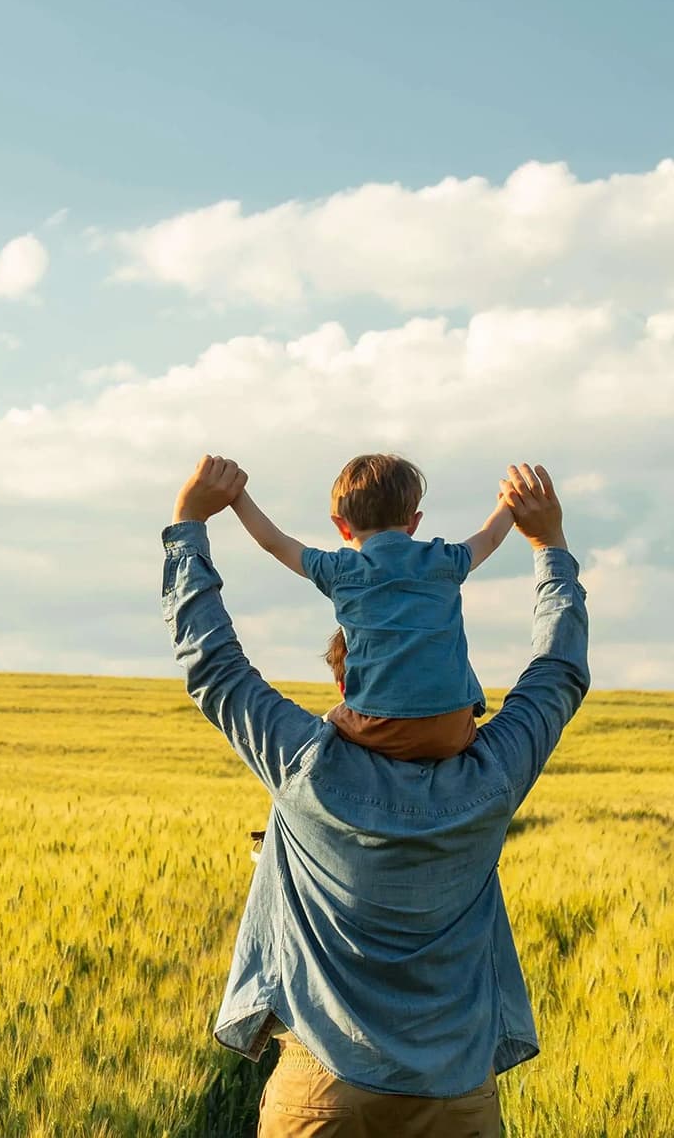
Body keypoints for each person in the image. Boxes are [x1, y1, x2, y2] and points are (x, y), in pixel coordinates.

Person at [163, 456, 590, 1137]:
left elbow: (214, 666)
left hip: (322, 1090)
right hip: (458, 1095)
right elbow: (559, 672)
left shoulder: (303, 767)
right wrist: (549, 546)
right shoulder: (493, 775)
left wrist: (189, 525)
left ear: (347, 689)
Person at [229, 454, 517, 762]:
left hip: (382, 729)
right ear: (414, 523)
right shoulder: (444, 559)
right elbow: (491, 536)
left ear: (341, 526)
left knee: (327, 725)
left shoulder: (339, 568)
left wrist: (237, 496)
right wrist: (509, 502)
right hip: (454, 729)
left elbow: (276, 542)